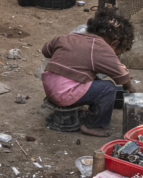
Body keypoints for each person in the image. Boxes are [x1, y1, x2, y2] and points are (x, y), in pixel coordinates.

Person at [41, 7, 136, 138]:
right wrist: (129, 87)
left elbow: (45, 50)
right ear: (114, 44)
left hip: (49, 86)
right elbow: (122, 75)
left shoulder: (70, 37)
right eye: (117, 53)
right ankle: (93, 125)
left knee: (94, 79)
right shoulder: (102, 48)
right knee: (108, 88)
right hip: (64, 93)